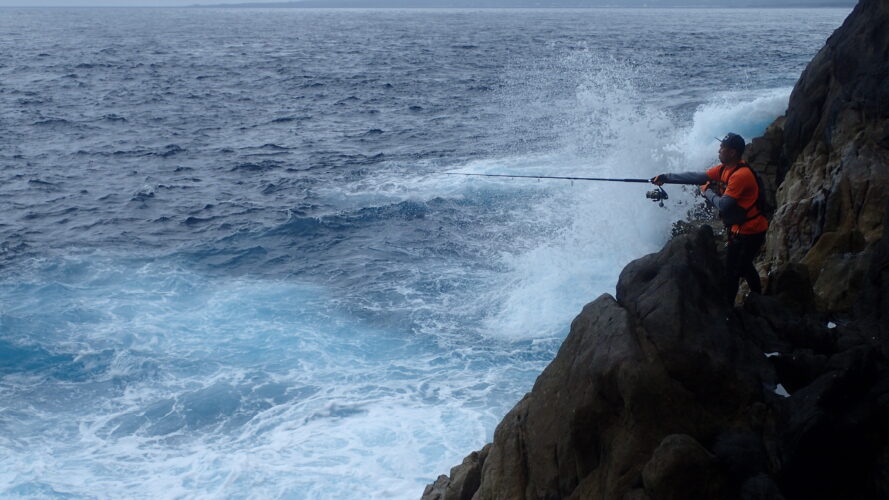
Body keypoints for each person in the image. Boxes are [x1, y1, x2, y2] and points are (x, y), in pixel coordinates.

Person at [651, 133, 769, 305]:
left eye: (722, 148)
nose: (719, 150)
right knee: (740, 267)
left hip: (752, 231)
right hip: (738, 229)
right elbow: (696, 177)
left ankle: (740, 307)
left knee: (736, 270)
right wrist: (666, 177)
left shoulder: (740, 175)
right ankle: (756, 300)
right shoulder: (724, 169)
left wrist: (707, 192)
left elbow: (723, 205)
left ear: (732, 153)